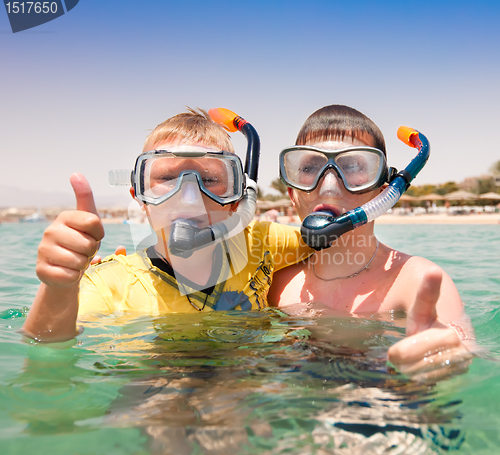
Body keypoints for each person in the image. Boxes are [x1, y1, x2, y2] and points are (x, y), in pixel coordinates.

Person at [22, 109, 312, 342]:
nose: (189, 199)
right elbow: (48, 344)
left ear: (237, 199)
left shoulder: (262, 243)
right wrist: (58, 288)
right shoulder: (111, 283)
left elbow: (335, 238)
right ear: (139, 197)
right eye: (167, 179)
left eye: (210, 180)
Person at [268, 105, 474, 375]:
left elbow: (465, 350)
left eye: (353, 167)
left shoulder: (416, 282)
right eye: (309, 167)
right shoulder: (275, 283)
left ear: (384, 194)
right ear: (292, 192)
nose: (329, 186)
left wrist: (448, 357)